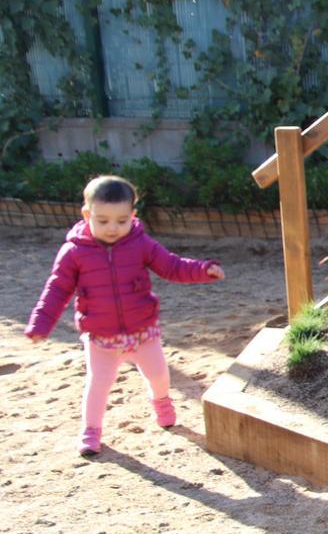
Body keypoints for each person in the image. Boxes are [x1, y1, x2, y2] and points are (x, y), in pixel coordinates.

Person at [25, 176, 225, 456]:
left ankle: (161, 401)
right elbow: (57, 288)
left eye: (121, 220)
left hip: (142, 330)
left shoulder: (140, 243)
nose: (112, 228)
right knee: (98, 384)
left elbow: (171, 266)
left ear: (133, 215)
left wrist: (203, 270)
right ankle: (91, 430)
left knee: (157, 374)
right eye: (103, 220)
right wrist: (40, 323)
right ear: (87, 214)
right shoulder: (74, 252)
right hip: (100, 336)